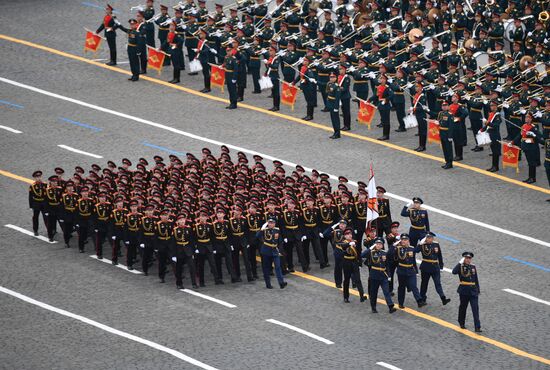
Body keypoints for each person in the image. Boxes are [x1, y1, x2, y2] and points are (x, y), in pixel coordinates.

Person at [417, 232, 451, 305]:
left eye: (431, 238)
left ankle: (443, 298)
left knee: (438, 283)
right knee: (424, 284)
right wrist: (420, 244)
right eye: (428, 238)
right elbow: (415, 251)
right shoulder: (422, 245)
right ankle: (422, 298)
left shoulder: (436, 244)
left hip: (435, 267)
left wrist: (441, 266)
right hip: (426, 267)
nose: (430, 239)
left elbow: (439, 255)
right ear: (426, 238)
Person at [365, 237, 397, 313]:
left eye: (380, 244)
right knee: (374, 292)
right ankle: (373, 307)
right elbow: (362, 255)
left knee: (386, 291)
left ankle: (390, 306)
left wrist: (389, 275)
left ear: (382, 246)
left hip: (383, 275)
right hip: (374, 276)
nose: (378, 245)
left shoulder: (384, 253)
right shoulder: (371, 252)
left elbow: (387, 266)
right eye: (377, 244)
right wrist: (370, 248)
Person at [452, 252, 482, 332]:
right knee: (463, 307)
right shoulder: (460, 266)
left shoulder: (473, 267)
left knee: (475, 309)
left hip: (473, 290)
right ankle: (461, 323)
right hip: (464, 290)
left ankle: (477, 327)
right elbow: (453, 272)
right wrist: (459, 263)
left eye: (469, 258)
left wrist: (478, 289)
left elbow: (476, 279)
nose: (468, 260)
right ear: (464, 259)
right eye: (466, 258)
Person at [395, 233, 426, 308]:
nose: (403, 241)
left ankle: (419, 301)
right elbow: (390, 254)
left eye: (405, 240)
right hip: (401, 271)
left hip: (411, 270)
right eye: (402, 240)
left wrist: (422, 243)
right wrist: (394, 245)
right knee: (402, 287)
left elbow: (417, 251)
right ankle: (401, 303)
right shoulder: (398, 249)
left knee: (413, 286)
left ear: (408, 241)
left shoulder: (412, 248)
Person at [511, 113, 541, 184]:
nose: (526, 118)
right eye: (526, 117)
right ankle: (530, 177)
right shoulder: (524, 126)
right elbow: (519, 136)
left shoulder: (534, 127)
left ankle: (532, 178)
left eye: (528, 117)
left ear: (531, 119)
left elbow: (539, 138)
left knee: (532, 163)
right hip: (526, 147)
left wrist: (533, 135)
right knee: (529, 163)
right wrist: (512, 142)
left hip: (532, 148)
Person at [258, 218, 287, 289]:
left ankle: (281, 283)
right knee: (266, 268)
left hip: (275, 250)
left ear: (274, 224)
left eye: (272, 223)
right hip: (266, 251)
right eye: (269, 223)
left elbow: (279, 241)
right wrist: (261, 229)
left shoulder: (277, 230)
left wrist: (280, 250)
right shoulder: (264, 230)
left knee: (278, 267)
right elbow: (257, 236)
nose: (270, 224)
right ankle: (268, 284)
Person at [172, 214, 198, 289]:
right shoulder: (175, 230)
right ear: (177, 221)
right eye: (180, 220)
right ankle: (179, 283)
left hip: (188, 250)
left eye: (183, 220)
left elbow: (191, 241)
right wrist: (173, 255)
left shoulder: (188, 229)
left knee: (192, 267)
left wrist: (193, 252)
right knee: (179, 268)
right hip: (179, 250)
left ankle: (194, 283)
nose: (182, 221)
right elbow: (173, 243)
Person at [341, 229, 366, 303]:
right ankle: (346, 297)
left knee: (358, 279)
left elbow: (358, 252)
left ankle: (362, 295)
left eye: (350, 234)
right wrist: (349, 244)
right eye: (347, 234)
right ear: (345, 236)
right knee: (347, 280)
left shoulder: (354, 242)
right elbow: (343, 246)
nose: (349, 235)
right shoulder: (343, 242)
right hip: (346, 262)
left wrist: (359, 262)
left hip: (354, 262)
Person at [480, 101, 502, 172]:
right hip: (490, 134)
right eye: (491, 105)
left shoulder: (497, 115)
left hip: (495, 135)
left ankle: (496, 166)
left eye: (493, 105)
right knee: (493, 151)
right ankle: (493, 166)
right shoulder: (491, 114)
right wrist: (482, 129)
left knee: (495, 152)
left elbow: (496, 125)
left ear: (496, 106)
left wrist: (487, 123)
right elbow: (487, 125)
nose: (491, 107)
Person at [372, 74, 393, 140]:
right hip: (380, 105)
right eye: (381, 78)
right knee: (383, 120)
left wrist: (386, 100)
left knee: (386, 121)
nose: (381, 80)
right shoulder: (378, 87)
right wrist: (369, 100)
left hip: (386, 105)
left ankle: (386, 135)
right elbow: (375, 95)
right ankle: (385, 134)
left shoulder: (387, 87)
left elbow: (392, 95)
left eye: (383, 79)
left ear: (386, 80)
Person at [295, 56, 317, 121]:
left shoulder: (309, 69)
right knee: (308, 101)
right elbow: (300, 76)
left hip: (308, 87)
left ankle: (310, 115)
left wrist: (305, 80)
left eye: (305, 61)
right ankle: (308, 115)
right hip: (304, 87)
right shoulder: (303, 68)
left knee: (310, 102)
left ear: (308, 62)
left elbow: (310, 77)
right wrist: (294, 82)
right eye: (304, 60)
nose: (304, 61)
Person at [29, 170, 47, 237]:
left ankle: (49, 229)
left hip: (43, 203)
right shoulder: (32, 186)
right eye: (37, 177)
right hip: (36, 203)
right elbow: (30, 197)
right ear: (34, 178)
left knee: (46, 217)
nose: (38, 178)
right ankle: (35, 230)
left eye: (39, 176)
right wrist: (31, 206)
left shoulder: (45, 184)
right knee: (35, 217)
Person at [411, 82, 429, 151]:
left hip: (422, 115)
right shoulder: (416, 95)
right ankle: (420, 145)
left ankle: (423, 146)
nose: (416, 88)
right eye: (416, 87)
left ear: (421, 88)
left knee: (423, 131)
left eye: (418, 87)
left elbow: (422, 107)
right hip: (418, 115)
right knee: (420, 131)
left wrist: (414, 109)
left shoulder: (422, 96)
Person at [438, 101, 455, 169]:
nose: (444, 107)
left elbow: (451, 127)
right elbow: (439, 121)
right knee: (444, 149)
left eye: (445, 105)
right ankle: (447, 161)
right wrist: (427, 110)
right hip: (442, 133)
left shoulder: (450, 115)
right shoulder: (441, 113)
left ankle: (450, 163)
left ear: (448, 106)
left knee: (449, 149)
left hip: (447, 133)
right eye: (443, 105)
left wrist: (450, 136)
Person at [264, 46, 281, 111]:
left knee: (276, 92)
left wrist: (268, 63)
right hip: (270, 75)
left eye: (271, 50)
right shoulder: (270, 58)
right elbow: (269, 68)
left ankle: (277, 106)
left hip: (275, 76)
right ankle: (274, 105)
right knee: (273, 92)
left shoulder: (277, 58)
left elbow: (275, 67)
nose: (269, 52)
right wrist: (265, 73)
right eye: (269, 50)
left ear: (274, 51)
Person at [327, 72, 341, 139]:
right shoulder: (329, 84)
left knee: (335, 119)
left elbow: (337, 98)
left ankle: (337, 133)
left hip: (334, 104)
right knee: (332, 119)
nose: (331, 78)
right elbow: (328, 92)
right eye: (330, 77)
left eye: (333, 77)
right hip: (330, 103)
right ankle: (335, 132)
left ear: (336, 78)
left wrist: (336, 107)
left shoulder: (336, 86)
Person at [224, 45, 239, 109]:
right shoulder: (227, 58)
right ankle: (231, 102)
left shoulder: (234, 59)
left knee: (233, 90)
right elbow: (225, 65)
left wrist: (234, 78)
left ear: (232, 51)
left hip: (232, 75)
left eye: (229, 51)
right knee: (229, 90)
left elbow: (236, 70)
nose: (228, 52)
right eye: (227, 51)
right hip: (227, 75)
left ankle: (234, 104)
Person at [338, 65, 352, 131]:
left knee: (346, 112)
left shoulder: (346, 78)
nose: (340, 70)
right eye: (339, 69)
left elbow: (345, 88)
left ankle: (347, 126)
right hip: (341, 96)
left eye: (341, 69)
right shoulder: (339, 76)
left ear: (345, 70)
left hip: (345, 96)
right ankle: (345, 125)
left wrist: (337, 88)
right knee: (343, 111)